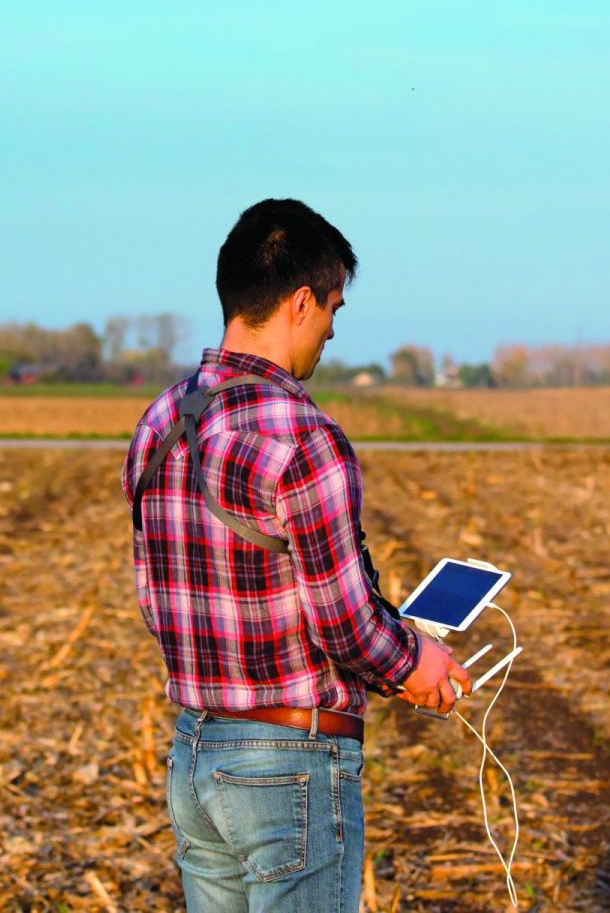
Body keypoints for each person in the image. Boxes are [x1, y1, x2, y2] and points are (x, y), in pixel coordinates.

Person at [124, 198, 470, 911]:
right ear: (302, 301)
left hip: (195, 752)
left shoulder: (161, 419)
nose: (334, 331)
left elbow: (154, 593)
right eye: (334, 308)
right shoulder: (304, 437)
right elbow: (343, 625)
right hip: (289, 763)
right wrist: (415, 665)